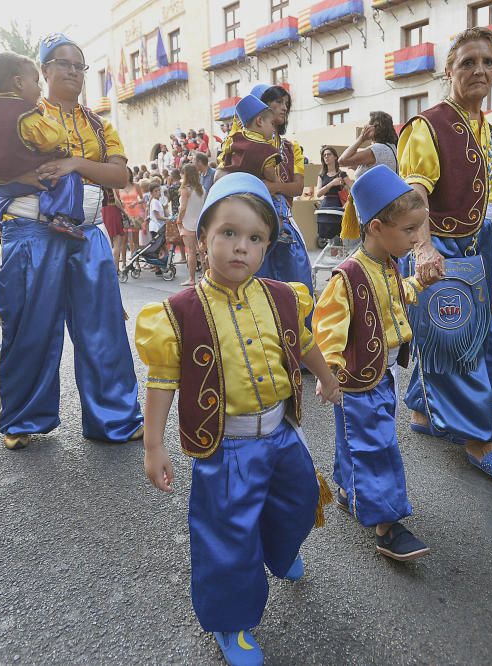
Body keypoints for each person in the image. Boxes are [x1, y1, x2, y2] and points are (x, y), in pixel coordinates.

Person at [136, 173, 341, 666]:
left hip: (282, 433)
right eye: (227, 233)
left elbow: (305, 343)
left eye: (254, 238)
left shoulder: (283, 297)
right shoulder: (179, 312)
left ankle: (277, 546)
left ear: (267, 246)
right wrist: (153, 444)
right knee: (227, 535)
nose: (240, 248)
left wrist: (327, 377)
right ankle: (231, 621)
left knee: (299, 499)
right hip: (226, 446)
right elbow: (163, 379)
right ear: (201, 238)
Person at [0, 32, 144, 450]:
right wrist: (27, 179)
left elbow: (120, 176)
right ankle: (21, 418)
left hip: (88, 233)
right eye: (62, 64)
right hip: (32, 232)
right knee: (31, 324)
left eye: (79, 65)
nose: (72, 71)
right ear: (43, 70)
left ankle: (114, 418)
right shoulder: (17, 111)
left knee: (102, 327)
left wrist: (75, 163)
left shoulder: (99, 126)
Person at [397, 27, 492, 478]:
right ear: (449, 71)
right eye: (468, 62)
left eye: (488, 62)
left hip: (483, 246)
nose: (480, 70)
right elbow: (414, 197)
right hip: (440, 248)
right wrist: (423, 248)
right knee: (457, 344)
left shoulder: (490, 130)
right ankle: (480, 440)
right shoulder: (427, 126)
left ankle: (424, 411)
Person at [314, 165, 436, 561]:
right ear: (377, 227)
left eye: (419, 228)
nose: (417, 238)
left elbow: (395, 299)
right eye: (409, 230)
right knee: (377, 445)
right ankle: (387, 525)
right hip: (355, 378)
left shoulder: (387, 265)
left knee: (356, 439)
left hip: (380, 373)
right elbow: (328, 325)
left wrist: (420, 284)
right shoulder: (347, 274)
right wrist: (328, 369)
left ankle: (351, 491)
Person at [0, 52, 86, 241]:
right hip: (36, 178)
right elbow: (51, 138)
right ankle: (61, 216)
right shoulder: (24, 114)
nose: (39, 89)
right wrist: (54, 124)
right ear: (19, 83)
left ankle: (2, 224)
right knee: (68, 176)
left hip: (4, 184)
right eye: (36, 82)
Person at [338, 111, 399, 240]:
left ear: (375, 127)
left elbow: (342, 160)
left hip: (371, 211)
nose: (365, 127)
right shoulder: (392, 147)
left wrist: (361, 138)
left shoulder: (377, 149)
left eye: (368, 124)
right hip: (385, 207)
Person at [217, 95, 280, 183]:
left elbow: (222, 167)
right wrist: (279, 183)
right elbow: (271, 175)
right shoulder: (266, 149)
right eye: (272, 123)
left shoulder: (235, 140)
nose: (273, 129)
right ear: (260, 121)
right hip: (253, 192)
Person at [175, 163, 204, 285]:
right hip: (200, 223)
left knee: (191, 252)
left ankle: (191, 278)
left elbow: (183, 208)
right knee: (202, 251)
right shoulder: (202, 189)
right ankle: (204, 276)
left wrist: (179, 220)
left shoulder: (185, 190)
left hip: (188, 224)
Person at [314, 146, 348, 242]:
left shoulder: (342, 174)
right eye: (324, 155)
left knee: (339, 237)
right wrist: (332, 183)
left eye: (329, 154)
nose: (326, 157)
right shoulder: (321, 175)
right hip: (325, 207)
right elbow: (318, 193)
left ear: (335, 157)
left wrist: (348, 202)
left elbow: (354, 189)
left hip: (339, 206)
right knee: (328, 237)